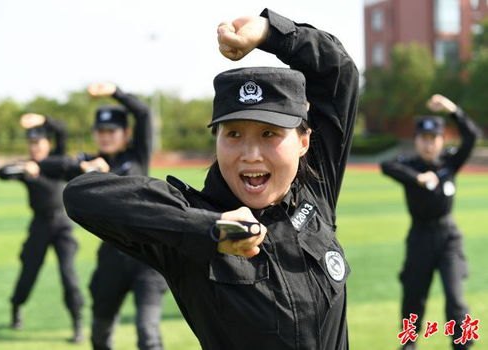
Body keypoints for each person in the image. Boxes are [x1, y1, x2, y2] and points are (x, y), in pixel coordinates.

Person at [63, 9, 358, 350]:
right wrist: (209, 229)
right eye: (233, 133)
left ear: (304, 142)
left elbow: (338, 72)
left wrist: (270, 32)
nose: (250, 154)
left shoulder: (314, 190)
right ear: (216, 139)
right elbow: (81, 197)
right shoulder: (194, 220)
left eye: (268, 133)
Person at [39, 83, 167, 350]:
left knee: (148, 333)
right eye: (100, 131)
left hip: (148, 258)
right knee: (100, 332)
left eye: (111, 131)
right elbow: (48, 166)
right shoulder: (89, 163)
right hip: (112, 256)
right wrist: (82, 168)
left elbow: (143, 113)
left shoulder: (137, 155)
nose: (105, 136)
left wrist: (115, 92)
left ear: (126, 133)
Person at [380, 94, 481, 350]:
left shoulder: (449, 162)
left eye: (433, 139)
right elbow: (386, 165)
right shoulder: (409, 165)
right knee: (413, 296)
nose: (428, 144)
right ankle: (409, 343)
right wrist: (417, 178)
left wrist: (452, 109)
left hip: (449, 237)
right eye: (424, 139)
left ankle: (463, 344)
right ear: (416, 141)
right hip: (420, 237)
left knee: (455, 297)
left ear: (441, 140)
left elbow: (471, 137)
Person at [0, 113, 84, 343]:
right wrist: (25, 169)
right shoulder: (26, 167)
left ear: (48, 143)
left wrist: (41, 120)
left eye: (39, 142)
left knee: (69, 276)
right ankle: (16, 307)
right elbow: (1, 173)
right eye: (31, 143)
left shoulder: (58, 161)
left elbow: (62, 129)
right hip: (40, 225)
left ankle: (78, 325)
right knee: (28, 273)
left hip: (63, 224)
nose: (35, 147)